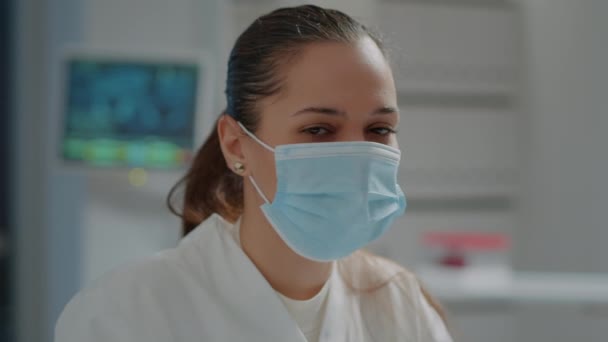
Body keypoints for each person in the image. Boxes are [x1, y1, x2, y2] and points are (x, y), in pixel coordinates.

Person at [55, 5, 453, 342]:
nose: (358, 157)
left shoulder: (399, 304)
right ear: (236, 145)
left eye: (379, 130)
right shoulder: (123, 314)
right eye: (318, 130)